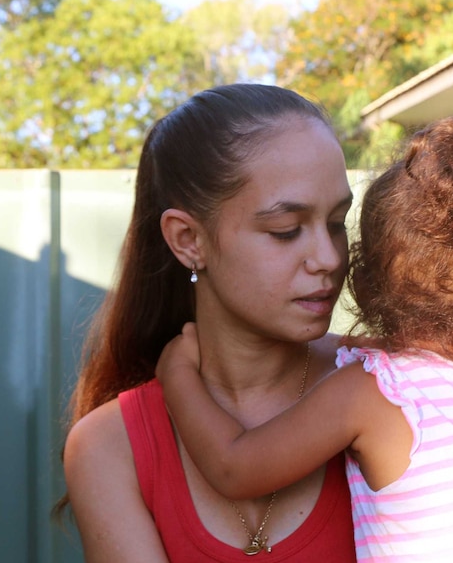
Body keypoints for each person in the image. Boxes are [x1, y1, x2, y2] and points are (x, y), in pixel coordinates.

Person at [157, 114, 453, 562]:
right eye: (286, 231)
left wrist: (177, 371)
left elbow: (235, 468)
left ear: (364, 286)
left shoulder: (375, 393)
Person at [59, 83, 358, 562]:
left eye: (338, 223)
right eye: (286, 231)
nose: (328, 258)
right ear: (188, 240)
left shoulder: (393, 386)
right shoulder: (108, 447)